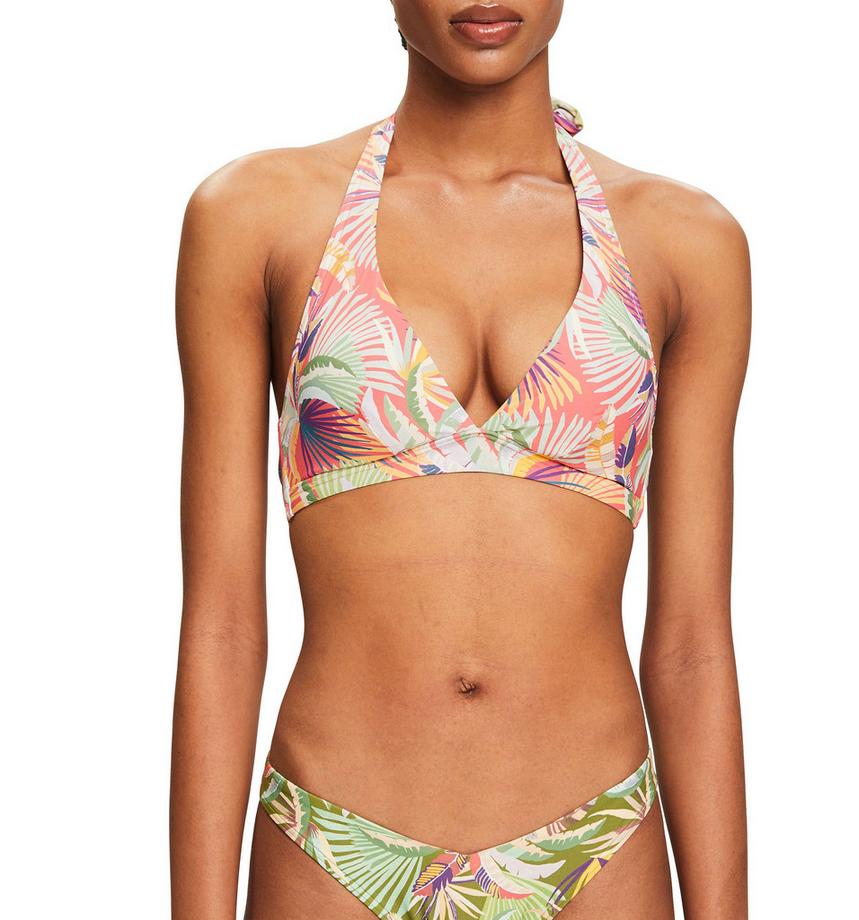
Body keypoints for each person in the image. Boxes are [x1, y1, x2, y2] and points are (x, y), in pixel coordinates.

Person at [170, 2, 751, 918]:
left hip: (594, 848)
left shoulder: (685, 242)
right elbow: (223, 626)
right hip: (333, 844)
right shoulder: (257, 216)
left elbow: (690, 646)